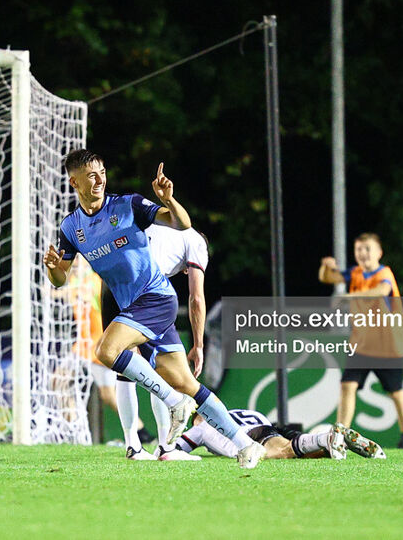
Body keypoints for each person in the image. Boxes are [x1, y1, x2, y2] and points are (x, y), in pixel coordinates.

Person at [44, 149, 265, 468]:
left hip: (155, 298)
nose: (99, 180)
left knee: (107, 352)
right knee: (188, 384)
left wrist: (169, 200)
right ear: (74, 182)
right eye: (91, 175)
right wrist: (53, 267)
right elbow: (60, 279)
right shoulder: (71, 227)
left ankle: (172, 404)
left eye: (102, 172)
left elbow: (182, 224)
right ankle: (245, 444)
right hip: (133, 307)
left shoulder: (127, 205)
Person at [109, 224, 209, 460]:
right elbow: (196, 298)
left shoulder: (161, 230)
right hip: (145, 294)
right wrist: (199, 345)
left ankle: (133, 445)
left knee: (126, 364)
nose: (185, 271)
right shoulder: (196, 242)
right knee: (165, 368)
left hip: (113, 286)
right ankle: (166, 446)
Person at [318, 233, 403, 449]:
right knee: (347, 385)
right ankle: (339, 436)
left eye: (367, 249)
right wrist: (326, 266)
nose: (362, 253)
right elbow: (327, 278)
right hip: (361, 343)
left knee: (396, 390)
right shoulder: (355, 273)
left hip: (387, 344)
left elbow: (381, 291)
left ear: (379, 252)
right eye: (359, 249)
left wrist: (347, 297)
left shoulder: (384, 273)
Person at [51, 256, 153, 443]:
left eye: (78, 260)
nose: (75, 263)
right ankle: (73, 427)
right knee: (58, 381)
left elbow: (73, 293)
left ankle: (142, 433)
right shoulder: (75, 281)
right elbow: (65, 292)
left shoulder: (93, 281)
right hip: (83, 346)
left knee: (107, 395)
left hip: (99, 346)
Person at [174, 408, 386, 460]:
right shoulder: (239, 411)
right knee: (294, 453)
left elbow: (172, 452)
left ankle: (327, 437)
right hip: (264, 426)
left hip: (249, 437)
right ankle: (337, 445)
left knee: (282, 451)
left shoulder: (200, 427)